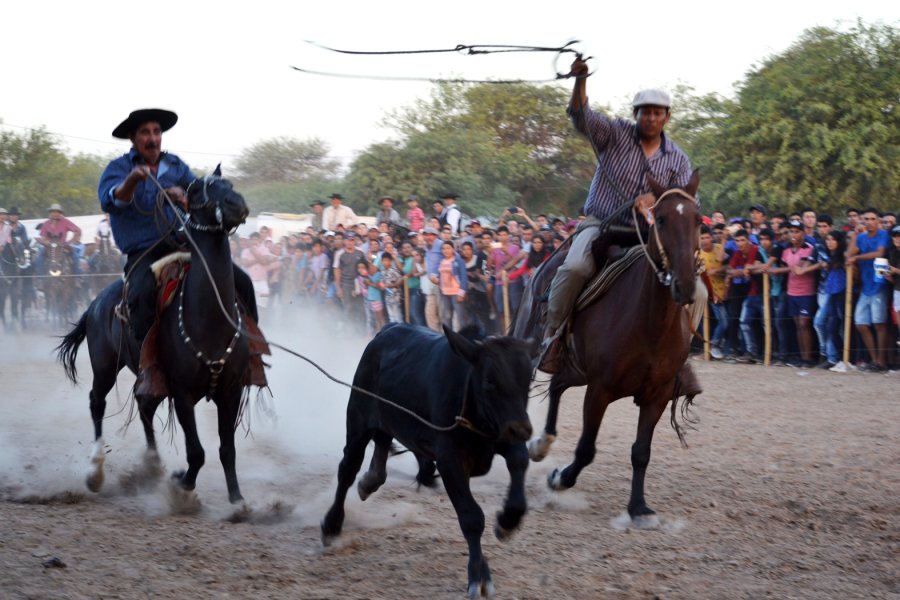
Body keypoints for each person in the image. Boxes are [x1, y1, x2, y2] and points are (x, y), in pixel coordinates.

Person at [97, 108, 261, 395]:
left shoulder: (176, 165)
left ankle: (250, 353)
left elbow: (196, 194)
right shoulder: (118, 169)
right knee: (142, 292)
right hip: (144, 252)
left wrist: (184, 196)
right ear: (133, 139)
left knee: (242, 281)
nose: (152, 138)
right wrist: (133, 180)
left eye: (156, 132)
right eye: (145, 133)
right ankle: (151, 368)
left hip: (183, 243)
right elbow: (113, 200)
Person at [543, 56, 693, 354]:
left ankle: (680, 355)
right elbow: (580, 116)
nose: (650, 118)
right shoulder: (614, 134)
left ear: (667, 117)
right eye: (645, 112)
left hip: (651, 232)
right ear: (635, 114)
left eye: (657, 113)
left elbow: (687, 201)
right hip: (602, 223)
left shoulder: (678, 158)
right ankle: (553, 336)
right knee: (573, 267)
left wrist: (657, 199)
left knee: (696, 283)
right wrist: (580, 81)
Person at [847, 207, 891, 371]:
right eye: (866, 219)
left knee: (879, 323)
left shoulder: (883, 235)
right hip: (865, 285)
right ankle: (874, 359)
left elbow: (879, 253)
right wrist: (855, 235)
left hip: (879, 282)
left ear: (878, 221)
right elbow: (849, 254)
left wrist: (857, 257)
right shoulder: (862, 237)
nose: (869, 222)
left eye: (873, 219)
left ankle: (881, 361)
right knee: (860, 323)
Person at [772, 220, 818, 367]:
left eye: (796, 231)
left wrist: (774, 270)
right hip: (792, 291)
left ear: (803, 233)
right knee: (798, 324)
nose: (793, 234)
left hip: (806, 291)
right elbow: (788, 268)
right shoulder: (785, 251)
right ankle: (802, 356)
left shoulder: (809, 249)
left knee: (805, 323)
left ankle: (809, 357)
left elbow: (799, 269)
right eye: (791, 231)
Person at [437, 241, 468, 331]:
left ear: (453, 249)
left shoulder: (458, 261)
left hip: (456, 292)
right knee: (447, 316)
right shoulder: (442, 261)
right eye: (443, 248)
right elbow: (441, 275)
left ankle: (464, 338)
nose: (445, 250)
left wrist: (461, 293)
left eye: (448, 248)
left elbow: (463, 277)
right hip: (444, 292)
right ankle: (449, 338)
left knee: (460, 317)